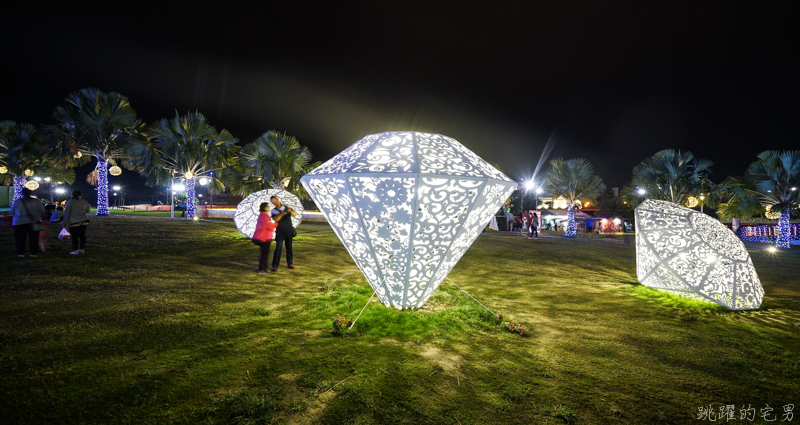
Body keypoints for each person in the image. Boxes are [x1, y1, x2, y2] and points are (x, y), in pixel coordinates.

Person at [9, 188, 45, 257]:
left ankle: (21, 253)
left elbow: (11, 212)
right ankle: (33, 252)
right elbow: (42, 210)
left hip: (19, 222)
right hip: (33, 221)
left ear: (22, 193)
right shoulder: (36, 201)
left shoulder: (18, 201)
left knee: (20, 238)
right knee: (34, 238)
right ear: (31, 193)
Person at [270, 195, 298, 272]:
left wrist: (291, 211)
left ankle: (290, 263)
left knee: (289, 247)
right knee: (278, 248)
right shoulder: (274, 210)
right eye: (273, 202)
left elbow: (295, 214)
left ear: (278, 200)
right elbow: (276, 219)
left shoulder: (286, 207)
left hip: (288, 230)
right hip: (279, 231)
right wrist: (283, 213)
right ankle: (275, 266)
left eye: (275, 201)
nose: (275, 203)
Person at [252, 202, 279, 273]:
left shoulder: (265, 216)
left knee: (265, 254)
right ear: (264, 208)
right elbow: (269, 227)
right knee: (264, 254)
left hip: (266, 238)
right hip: (263, 238)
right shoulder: (263, 216)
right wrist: (276, 223)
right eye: (267, 206)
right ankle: (261, 269)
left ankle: (265, 267)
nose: (269, 207)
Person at [63, 190, 92, 255]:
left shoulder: (70, 202)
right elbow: (88, 211)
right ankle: (81, 249)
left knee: (75, 236)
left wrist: (64, 222)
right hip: (84, 220)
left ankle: (75, 250)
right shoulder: (85, 202)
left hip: (74, 221)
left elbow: (67, 213)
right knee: (82, 235)